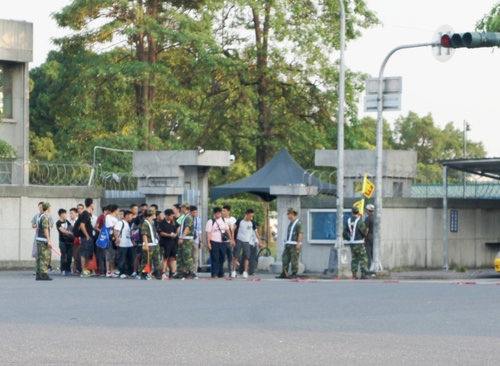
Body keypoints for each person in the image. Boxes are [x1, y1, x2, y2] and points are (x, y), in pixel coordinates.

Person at [276, 207, 303, 279]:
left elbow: (300, 233)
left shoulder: (298, 223)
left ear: (292, 214)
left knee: (294, 259)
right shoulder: (291, 223)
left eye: (289, 214)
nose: (288, 215)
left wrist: (298, 243)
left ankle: (294, 273)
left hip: (294, 244)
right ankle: (284, 273)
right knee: (285, 258)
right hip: (289, 244)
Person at [232, 209, 259, 279]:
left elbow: (256, 233)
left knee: (247, 257)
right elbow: (233, 229)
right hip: (239, 240)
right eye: (250, 216)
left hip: (247, 241)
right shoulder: (240, 221)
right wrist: (232, 239)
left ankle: (245, 272)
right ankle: (234, 271)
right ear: (246, 215)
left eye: (252, 216)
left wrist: (259, 241)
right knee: (236, 256)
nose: (251, 218)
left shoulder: (252, 223)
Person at [343, 206, 369, 279]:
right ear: (358, 213)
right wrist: (363, 235)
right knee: (363, 258)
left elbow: (344, 233)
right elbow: (363, 232)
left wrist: (349, 238)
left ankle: (354, 275)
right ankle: (363, 274)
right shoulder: (360, 221)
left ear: (352, 212)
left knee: (354, 259)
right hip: (359, 242)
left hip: (352, 243)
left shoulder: (348, 221)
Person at [206, 207, 229, 278]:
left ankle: (220, 272)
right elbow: (208, 232)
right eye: (217, 213)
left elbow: (227, 230)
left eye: (219, 213)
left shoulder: (223, 220)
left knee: (222, 258)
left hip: (223, 242)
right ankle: (214, 273)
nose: (218, 215)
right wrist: (208, 243)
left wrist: (231, 239)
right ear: (214, 214)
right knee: (215, 258)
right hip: (214, 241)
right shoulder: (210, 221)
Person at [139, 208, 160, 280]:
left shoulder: (152, 222)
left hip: (155, 244)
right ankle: (143, 274)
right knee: (146, 260)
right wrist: (146, 244)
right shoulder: (145, 223)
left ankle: (157, 273)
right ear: (152, 214)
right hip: (149, 244)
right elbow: (144, 234)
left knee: (157, 259)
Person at [157, 209, 178, 280]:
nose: (172, 217)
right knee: (165, 258)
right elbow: (161, 233)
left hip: (173, 243)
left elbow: (177, 229)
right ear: (167, 215)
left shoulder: (173, 222)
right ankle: (163, 272)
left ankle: (172, 273)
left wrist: (175, 234)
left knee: (172, 258)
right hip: (165, 243)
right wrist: (169, 235)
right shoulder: (161, 223)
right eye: (171, 216)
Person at [177, 202, 196, 279]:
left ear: (185, 208)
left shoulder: (189, 217)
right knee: (181, 256)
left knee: (187, 256)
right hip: (184, 238)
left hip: (187, 239)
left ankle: (191, 271)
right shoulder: (185, 216)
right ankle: (181, 271)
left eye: (182, 207)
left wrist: (182, 237)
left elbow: (187, 228)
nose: (181, 209)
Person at [35, 202, 54, 281]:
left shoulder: (40, 216)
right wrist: (49, 240)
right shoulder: (45, 217)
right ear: (48, 208)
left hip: (39, 238)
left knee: (39, 257)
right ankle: (44, 274)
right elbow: (45, 229)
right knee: (45, 257)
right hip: (43, 239)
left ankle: (38, 274)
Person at [115, 210, 135, 279]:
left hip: (129, 244)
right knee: (122, 259)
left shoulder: (128, 224)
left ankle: (129, 272)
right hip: (122, 244)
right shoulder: (121, 223)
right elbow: (115, 230)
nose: (132, 217)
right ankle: (121, 272)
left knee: (130, 259)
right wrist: (117, 238)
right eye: (131, 216)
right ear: (126, 216)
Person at [79, 198, 95, 278]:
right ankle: (83, 270)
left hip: (90, 236)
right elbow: (82, 225)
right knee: (84, 253)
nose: (94, 205)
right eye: (93, 203)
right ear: (91, 204)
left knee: (88, 254)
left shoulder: (89, 214)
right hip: (86, 237)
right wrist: (87, 235)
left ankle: (86, 269)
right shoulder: (85, 214)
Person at [56, 208, 74, 276]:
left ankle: (68, 270)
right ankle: (62, 270)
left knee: (69, 256)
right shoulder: (58, 223)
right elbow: (62, 230)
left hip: (69, 241)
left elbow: (72, 226)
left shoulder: (67, 221)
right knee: (63, 256)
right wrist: (70, 233)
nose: (66, 215)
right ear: (61, 215)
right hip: (62, 241)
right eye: (65, 214)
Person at [104, 204, 120, 278]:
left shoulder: (116, 218)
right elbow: (110, 226)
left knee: (113, 254)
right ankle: (108, 271)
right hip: (110, 236)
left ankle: (112, 270)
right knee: (108, 254)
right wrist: (117, 228)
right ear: (115, 210)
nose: (118, 211)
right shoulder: (108, 216)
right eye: (118, 210)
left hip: (115, 236)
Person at [222, 205, 237, 276]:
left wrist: (233, 240)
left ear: (228, 211)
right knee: (222, 257)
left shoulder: (233, 220)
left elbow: (234, 230)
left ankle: (231, 272)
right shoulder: (221, 219)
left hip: (230, 241)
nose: (223, 212)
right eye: (222, 211)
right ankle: (221, 272)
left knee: (231, 257)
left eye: (224, 211)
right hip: (222, 241)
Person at [69, 207, 82, 274]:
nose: (70, 215)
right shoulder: (68, 221)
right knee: (73, 255)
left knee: (77, 255)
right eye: (70, 213)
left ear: (76, 214)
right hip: (70, 240)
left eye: (72, 213)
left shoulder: (79, 221)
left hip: (77, 240)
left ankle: (77, 269)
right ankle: (74, 269)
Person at [190, 205, 203, 274]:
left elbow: (199, 231)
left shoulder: (198, 219)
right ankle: (188, 270)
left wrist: (201, 241)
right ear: (190, 212)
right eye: (194, 212)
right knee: (189, 256)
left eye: (196, 212)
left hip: (196, 239)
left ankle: (194, 271)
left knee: (195, 256)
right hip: (188, 239)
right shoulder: (187, 218)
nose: (195, 214)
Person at [364, 204, 375, 270]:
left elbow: (366, 229)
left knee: (368, 255)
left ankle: (369, 269)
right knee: (373, 254)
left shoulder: (368, 218)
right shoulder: (375, 217)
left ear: (368, 210)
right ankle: (374, 268)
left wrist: (364, 237)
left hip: (368, 238)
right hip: (374, 238)